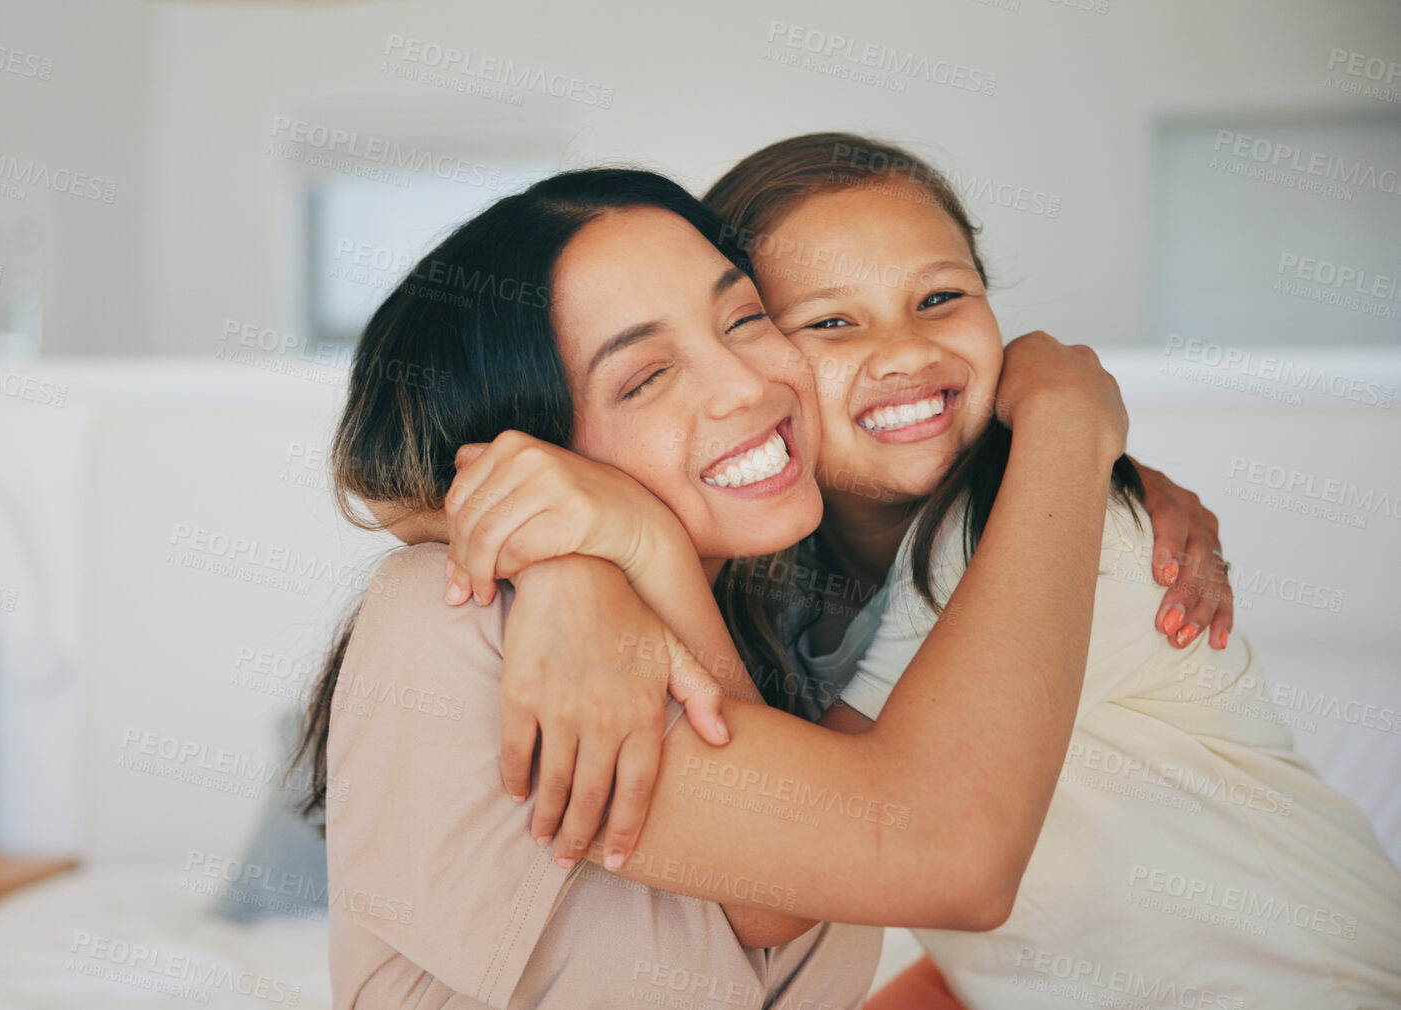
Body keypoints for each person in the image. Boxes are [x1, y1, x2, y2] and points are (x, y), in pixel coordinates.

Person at [448, 135, 1401, 1008]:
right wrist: (581, 570)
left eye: (940, 298)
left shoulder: (1044, 532)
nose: (905, 350)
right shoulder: (783, 580)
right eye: (827, 322)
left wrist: (1069, 420)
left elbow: (816, 866)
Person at [295, 166, 1138, 1009]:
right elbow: (948, 859)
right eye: (643, 377)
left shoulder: (785, 630)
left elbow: (776, 913)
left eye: (743, 318)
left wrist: (643, 549)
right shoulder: (456, 621)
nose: (745, 386)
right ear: (530, 445)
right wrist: (1067, 425)